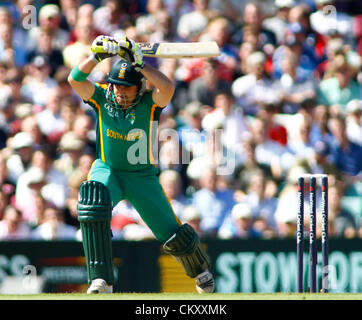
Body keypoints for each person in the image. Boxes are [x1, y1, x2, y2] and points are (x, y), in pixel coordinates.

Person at [68, 34, 214, 294]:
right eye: (117, 86)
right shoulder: (102, 97)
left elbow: (167, 87)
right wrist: (95, 57)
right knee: (93, 203)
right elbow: (75, 79)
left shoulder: (150, 103)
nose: (120, 92)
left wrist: (140, 65)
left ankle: (201, 271)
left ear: (140, 87)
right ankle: (101, 279)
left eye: (127, 87)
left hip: (141, 177)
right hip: (108, 169)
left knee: (172, 233)